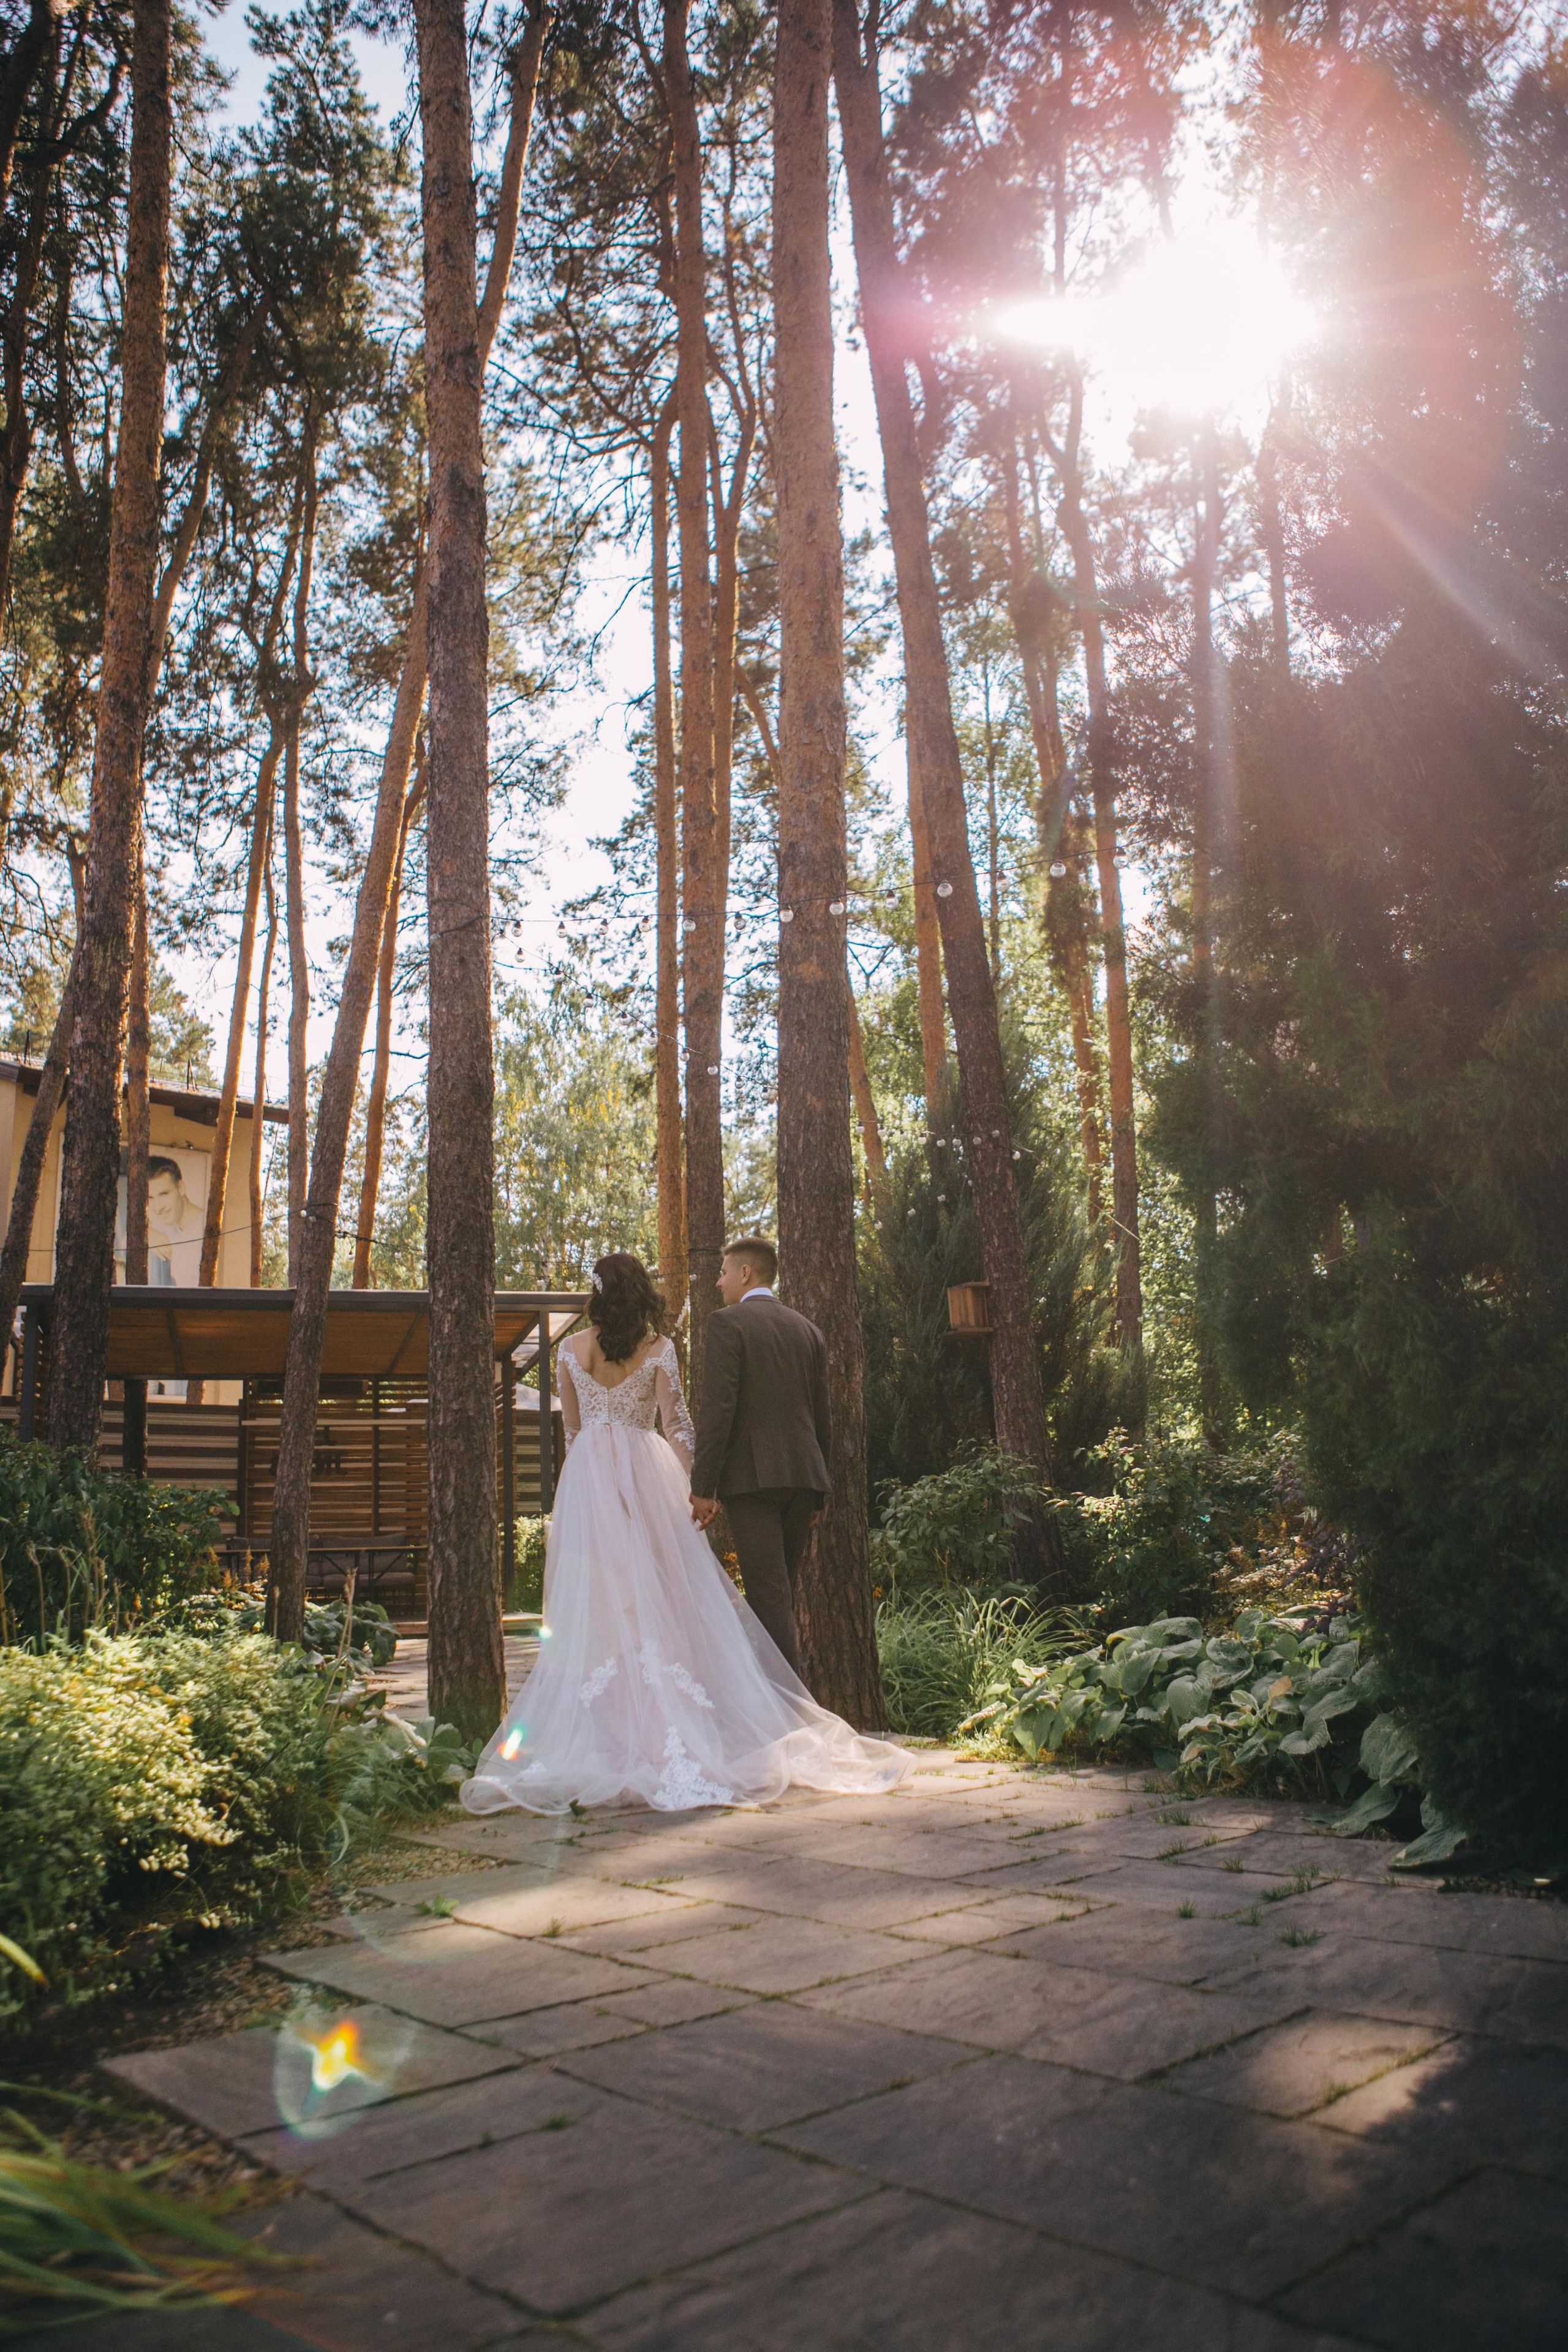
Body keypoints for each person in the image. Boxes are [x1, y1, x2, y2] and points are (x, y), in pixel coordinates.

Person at [462, 1248, 908, 1816]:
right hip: (649, 1473)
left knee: (604, 1607)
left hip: (589, 1483)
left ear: (598, 1294)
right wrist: (698, 1485)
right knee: (665, 1598)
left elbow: (572, 1433)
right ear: (641, 1292)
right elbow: (677, 1425)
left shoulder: (570, 1352)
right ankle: (679, 1726)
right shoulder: (659, 1349)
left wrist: (584, 1493)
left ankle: (612, 1732)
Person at [688, 1235, 824, 1678]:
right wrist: (822, 1492)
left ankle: (788, 1712)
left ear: (746, 1273)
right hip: (804, 1479)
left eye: (724, 1272)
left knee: (769, 1598)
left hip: (753, 1482)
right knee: (779, 1595)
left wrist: (702, 1489)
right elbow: (822, 1414)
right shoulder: (808, 1329)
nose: (718, 1281)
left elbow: (718, 1411)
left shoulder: (728, 1324)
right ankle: (784, 1704)